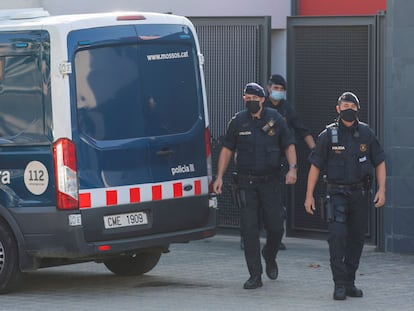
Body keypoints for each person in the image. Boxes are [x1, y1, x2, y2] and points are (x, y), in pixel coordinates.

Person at [213, 82, 297, 289]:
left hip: (271, 182)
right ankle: (255, 275)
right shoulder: (238, 121)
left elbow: (289, 144)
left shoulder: (274, 119)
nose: (250, 101)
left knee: (276, 227)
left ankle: (270, 255)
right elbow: (226, 150)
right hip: (246, 184)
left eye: (254, 98)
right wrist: (219, 177)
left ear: (262, 100)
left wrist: (293, 168)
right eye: (247, 98)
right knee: (249, 230)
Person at [304, 92, 386, 300]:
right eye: (345, 104)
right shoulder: (327, 136)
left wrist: (382, 190)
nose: (349, 107)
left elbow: (380, 162)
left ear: (358, 109)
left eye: (353, 104)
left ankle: (350, 282)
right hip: (337, 194)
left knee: (356, 240)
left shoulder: (367, 133)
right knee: (337, 239)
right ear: (338, 109)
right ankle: (339, 284)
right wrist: (309, 195)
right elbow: (315, 166)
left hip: (359, 194)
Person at [264, 74, 316, 250]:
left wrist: (316, 152)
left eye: (281, 89)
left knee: (279, 201)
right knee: (255, 200)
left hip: (280, 160)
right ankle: (246, 236)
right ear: (268, 88)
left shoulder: (287, 109)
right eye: (275, 88)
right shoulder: (260, 106)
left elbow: (302, 130)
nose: (278, 92)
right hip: (260, 159)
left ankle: (276, 239)